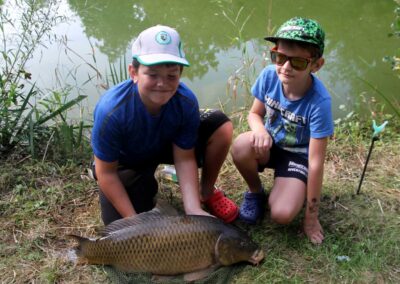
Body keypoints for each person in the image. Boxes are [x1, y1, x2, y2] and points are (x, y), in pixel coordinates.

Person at [91, 25, 238, 225]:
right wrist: (133, 221)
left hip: (164, 145)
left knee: (220, 125)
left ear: (180, 73)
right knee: (119, 226)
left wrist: (193, 209)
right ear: (133, 72)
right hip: (127, 160)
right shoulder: (111, 111)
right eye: (152, 74)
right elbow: (106, 172)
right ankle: (144, 180)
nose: (162, 83)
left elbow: (185, 157)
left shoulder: (185, 101)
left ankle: (205, 193)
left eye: (172, 75)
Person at [231, 17, 334, 244]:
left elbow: (316, 163)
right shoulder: (269, 75)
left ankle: (290, 184)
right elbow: (254, 114)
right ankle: (256, 192)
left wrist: (311, 218)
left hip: (297, 156)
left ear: (316, 65)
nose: (285, 67)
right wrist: (259, 130)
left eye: (297, 62)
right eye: (280, 57)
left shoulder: (320, 103)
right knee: (240, 145)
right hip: (268, 145)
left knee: (282, 214)